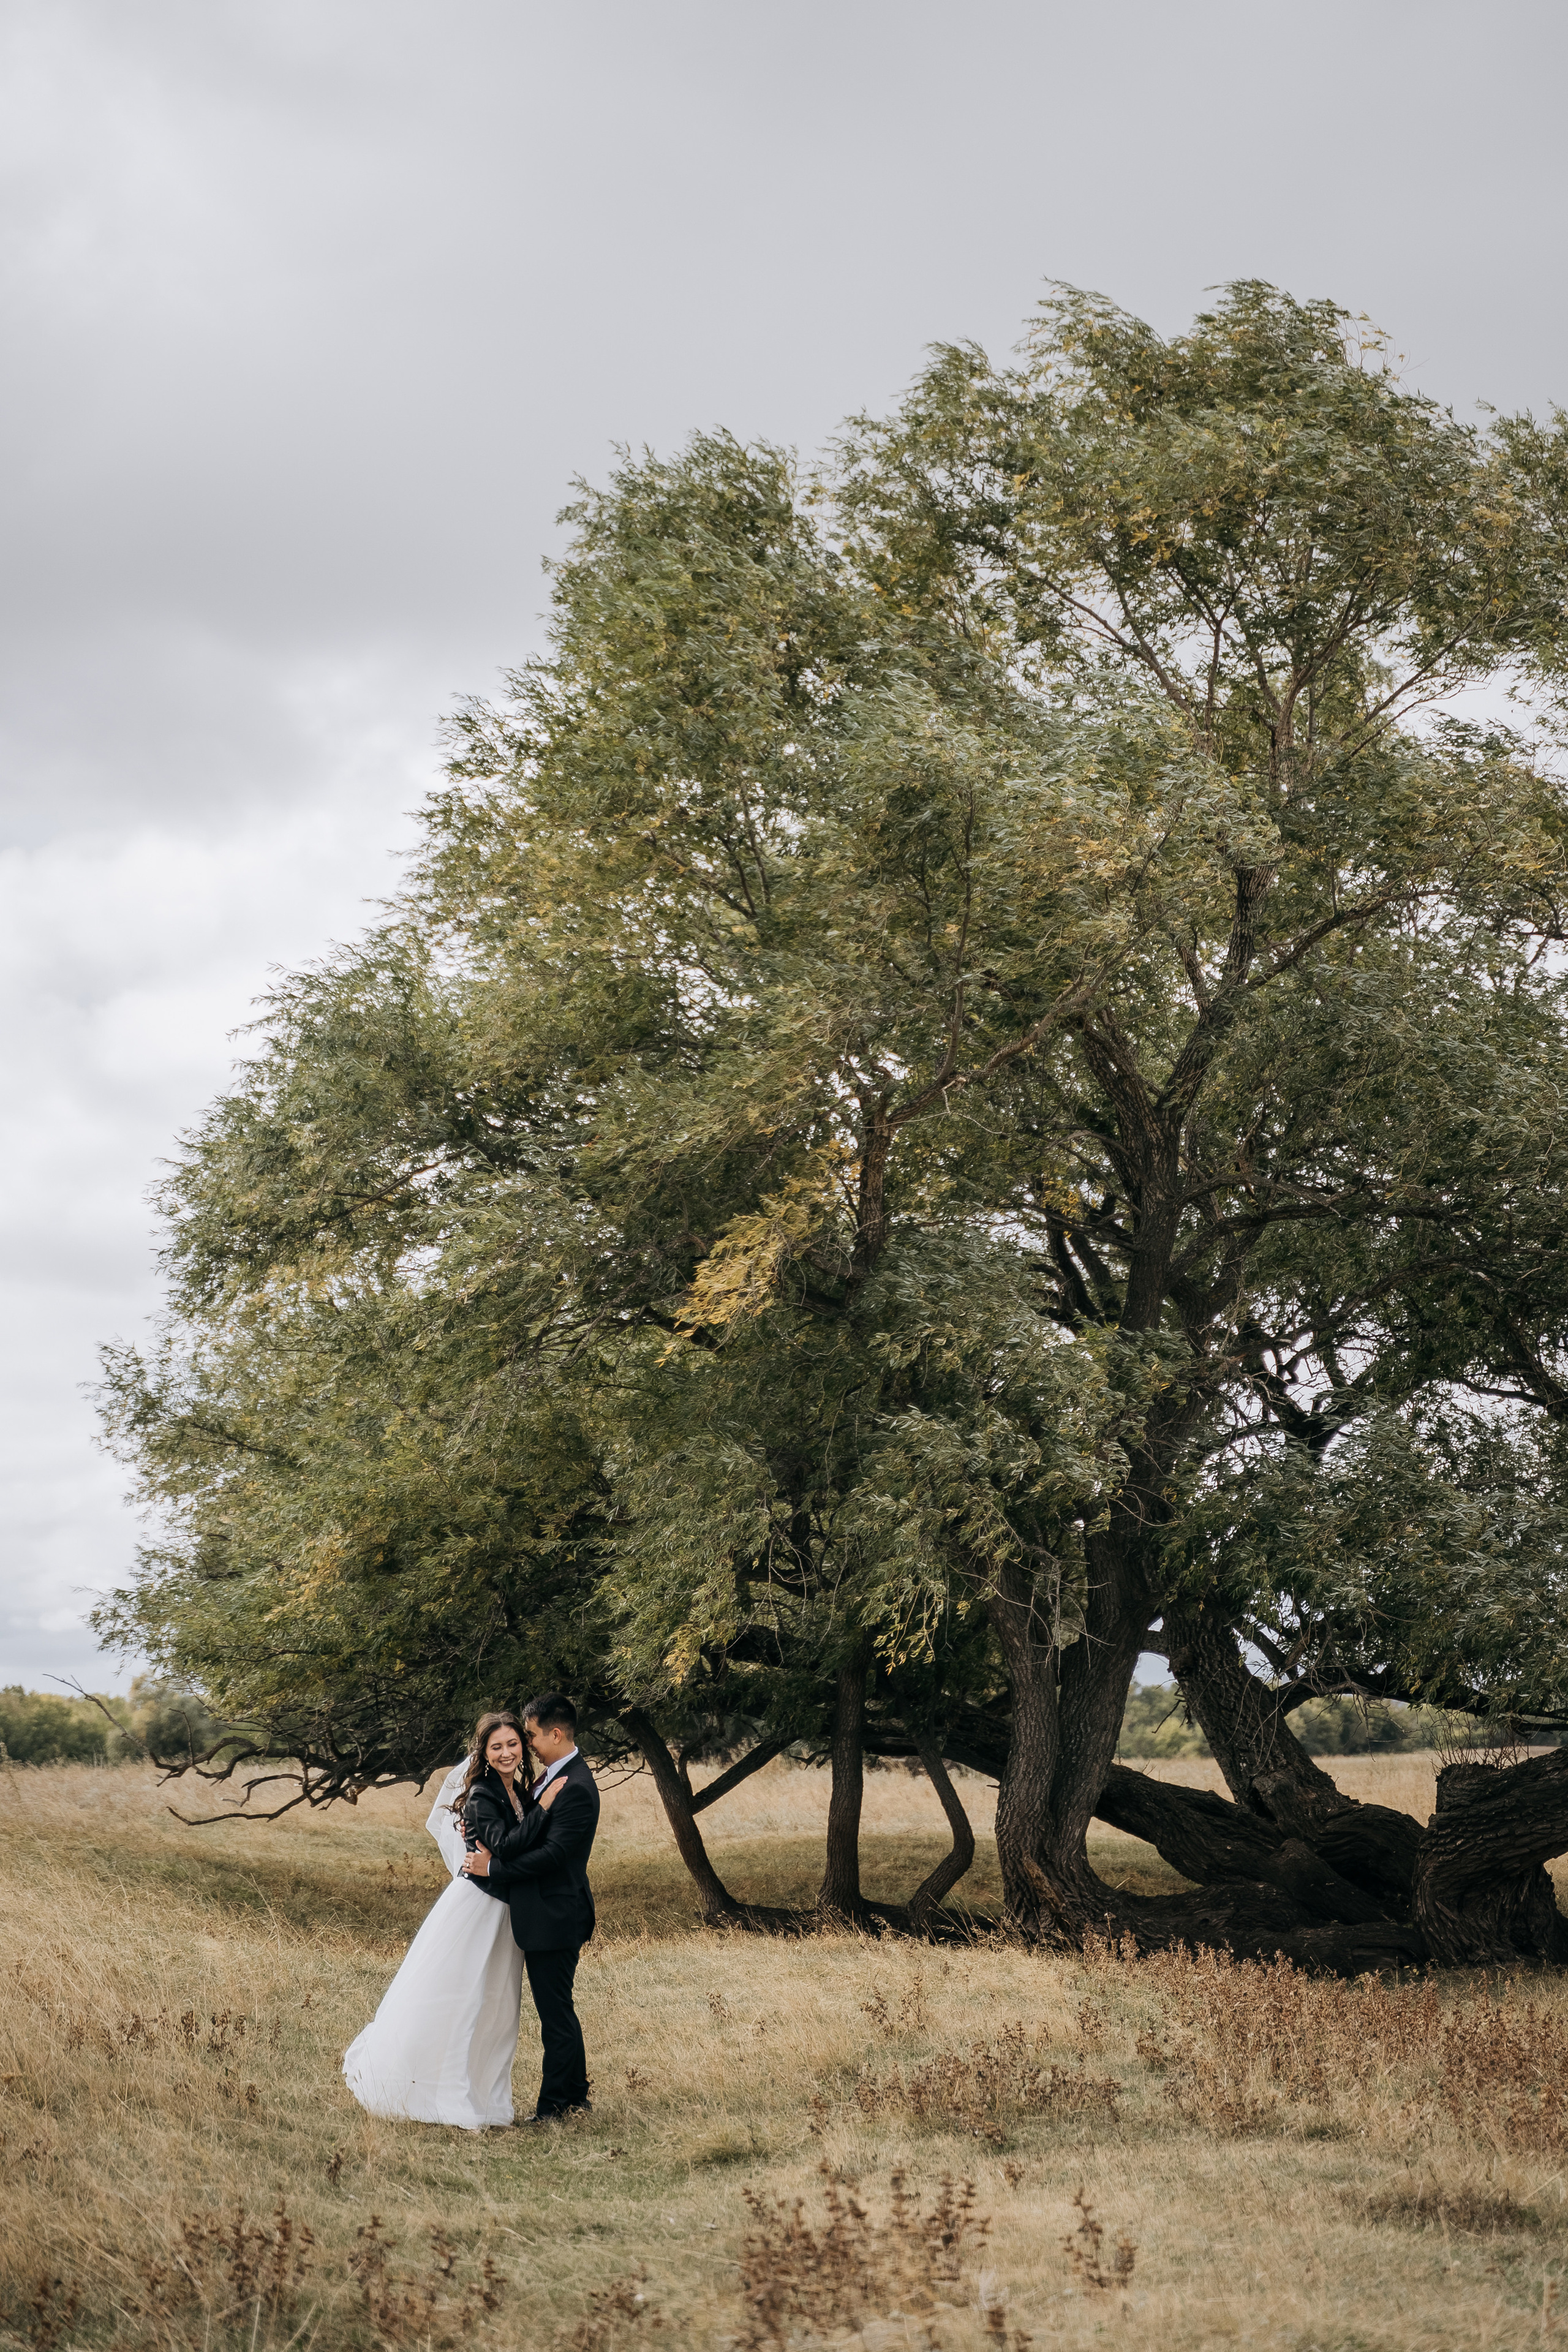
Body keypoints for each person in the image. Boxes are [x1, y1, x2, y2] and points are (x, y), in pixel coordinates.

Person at [341, 1711, 530, 2130]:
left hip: (504, 1912)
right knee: (456, 1997)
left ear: (523, 1746)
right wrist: (546, 1812)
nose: (505, 1753)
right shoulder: (481, 1794)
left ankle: (486, 2097)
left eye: (512, 1744)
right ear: (483, 1752)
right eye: (496, 1746)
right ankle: (433, 2090)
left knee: (495, 2006)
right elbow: (502, 1845)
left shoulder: (519, 1793)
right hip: (477, 1907)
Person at [462, 1690, 600, 2120]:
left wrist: (493, 1869)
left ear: (555, 1733)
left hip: (557, 1913)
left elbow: (553, 1856)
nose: (527, 1745)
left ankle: (558, 2106)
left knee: (555, 2013)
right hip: (542, 1912)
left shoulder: (574, 1786)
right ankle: (574, 2094)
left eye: (531, 1736)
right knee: (558, 2010)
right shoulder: (545, 1779)